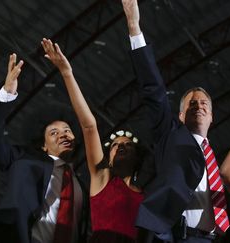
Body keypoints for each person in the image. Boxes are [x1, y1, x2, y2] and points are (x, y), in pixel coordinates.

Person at [122, 0, 230, 242]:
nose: (199, 105)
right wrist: (134, 27)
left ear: (212, 117)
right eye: (191, 103)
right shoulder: (170, 134)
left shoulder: (213, 157)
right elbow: (154, 90)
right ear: (180, 116)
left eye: (204, 103)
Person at [41, 38, 153, 242]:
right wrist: (67, 73)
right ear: (108, 156)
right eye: (116, 144)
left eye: (128, 145)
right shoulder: (102, 177)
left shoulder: (145, 196)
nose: (120, 146)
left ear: (138, 158)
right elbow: (89, 126)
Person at [0, 52, 89, 243]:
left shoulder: (82, 187)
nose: (63, 134)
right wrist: (6, 94)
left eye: (67, 130)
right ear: (43, 146)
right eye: (54, 132)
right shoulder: (23, 160)